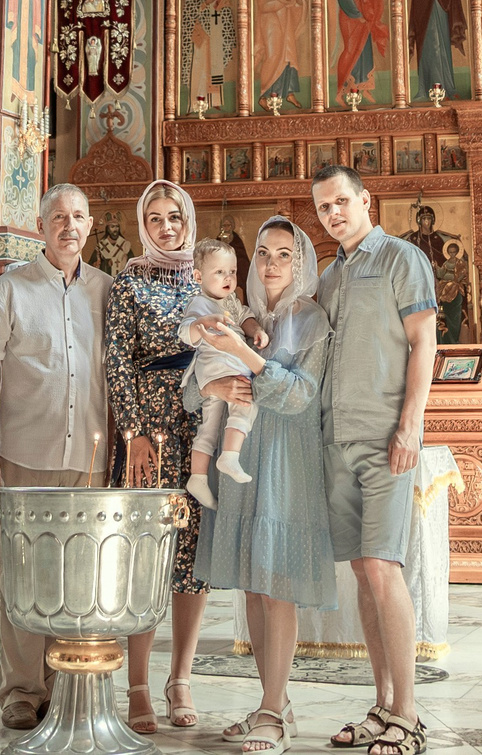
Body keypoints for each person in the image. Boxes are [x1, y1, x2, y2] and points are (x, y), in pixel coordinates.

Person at [0, 186, 112, 730]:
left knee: (80, 573)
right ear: (41, 225)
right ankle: (22, 691)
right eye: (58, 217)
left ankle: (69, 682)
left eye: (78, 216)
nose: (69, 226)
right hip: (25, 454)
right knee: (23, 575)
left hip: (91, 457)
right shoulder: (10, 289)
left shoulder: (106, 290)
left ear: (90, 224)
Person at [196, 218, 337, 755]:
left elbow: (301, 395)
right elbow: (202, 379)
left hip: (286, 458)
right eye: (264, 253)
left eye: (285, 254)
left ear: (301, 263)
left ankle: (274, 711)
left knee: (276, 584)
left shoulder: (310, 319)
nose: (273, 263)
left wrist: (248, 358)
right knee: (255, 584)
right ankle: (271, 700)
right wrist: (216, 376)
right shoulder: (238, 315)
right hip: (243, 456)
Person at [310, 165, 438, 755]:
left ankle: (408, 717)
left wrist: (410, 425)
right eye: (324, 208)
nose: (333, 214)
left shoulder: (401, 258)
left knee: (385, 569)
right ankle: (383, 704)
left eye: (341, 202)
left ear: (366, 200)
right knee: (362, 570)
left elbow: (422, 342)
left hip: (386, 438)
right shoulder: (330, 276)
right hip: (337, 439)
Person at [104, 181, 211, 732]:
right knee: (146, 554)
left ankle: (182, 678)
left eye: (174, 217)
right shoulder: (128, 282)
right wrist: (133, 433)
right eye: (155, 218)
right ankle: (140, 684)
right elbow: (117, 362)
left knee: (193, 560)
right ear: (142, 225)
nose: (166, 226)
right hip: (150, 431)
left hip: (200, 430)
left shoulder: (206, 276)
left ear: (187, 220)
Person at [179, 239, 266, 504]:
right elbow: (185, 333)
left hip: (216, 372)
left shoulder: (231, 301)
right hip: (221, 366)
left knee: (209, 426)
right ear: (198, 276)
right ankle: (230, 455)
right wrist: (202, 323)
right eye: (219, 272)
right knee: (245, 401)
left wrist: (256, 331)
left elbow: (246, 317)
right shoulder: (199, 304)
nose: (228, 277)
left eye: (232, 271)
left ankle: (198, 477)